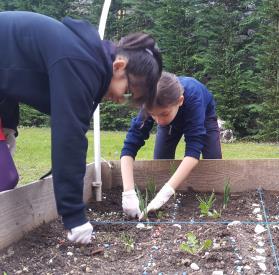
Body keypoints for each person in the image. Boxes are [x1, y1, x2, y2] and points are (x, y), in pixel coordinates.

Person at [0, 11, 163, 244]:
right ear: (119, 66)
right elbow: (69, 138)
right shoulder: (80, 62)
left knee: (4, 175)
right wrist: (75, 217)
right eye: (127, 92)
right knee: (3, 177)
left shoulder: (89, 60)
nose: (121, 100)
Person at [120, 72, 222, 219]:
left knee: (214, 163)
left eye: (163, 114)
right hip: (172, 121)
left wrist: (164, 194)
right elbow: (130, 145)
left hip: (204, 117)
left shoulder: (193, 97)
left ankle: (212, 200)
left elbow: (194, 150)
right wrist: (128, 192)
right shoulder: (151, 103)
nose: (158, 121)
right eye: (153, 115)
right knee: (161, 160)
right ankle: (164, 195)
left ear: (180, 101)